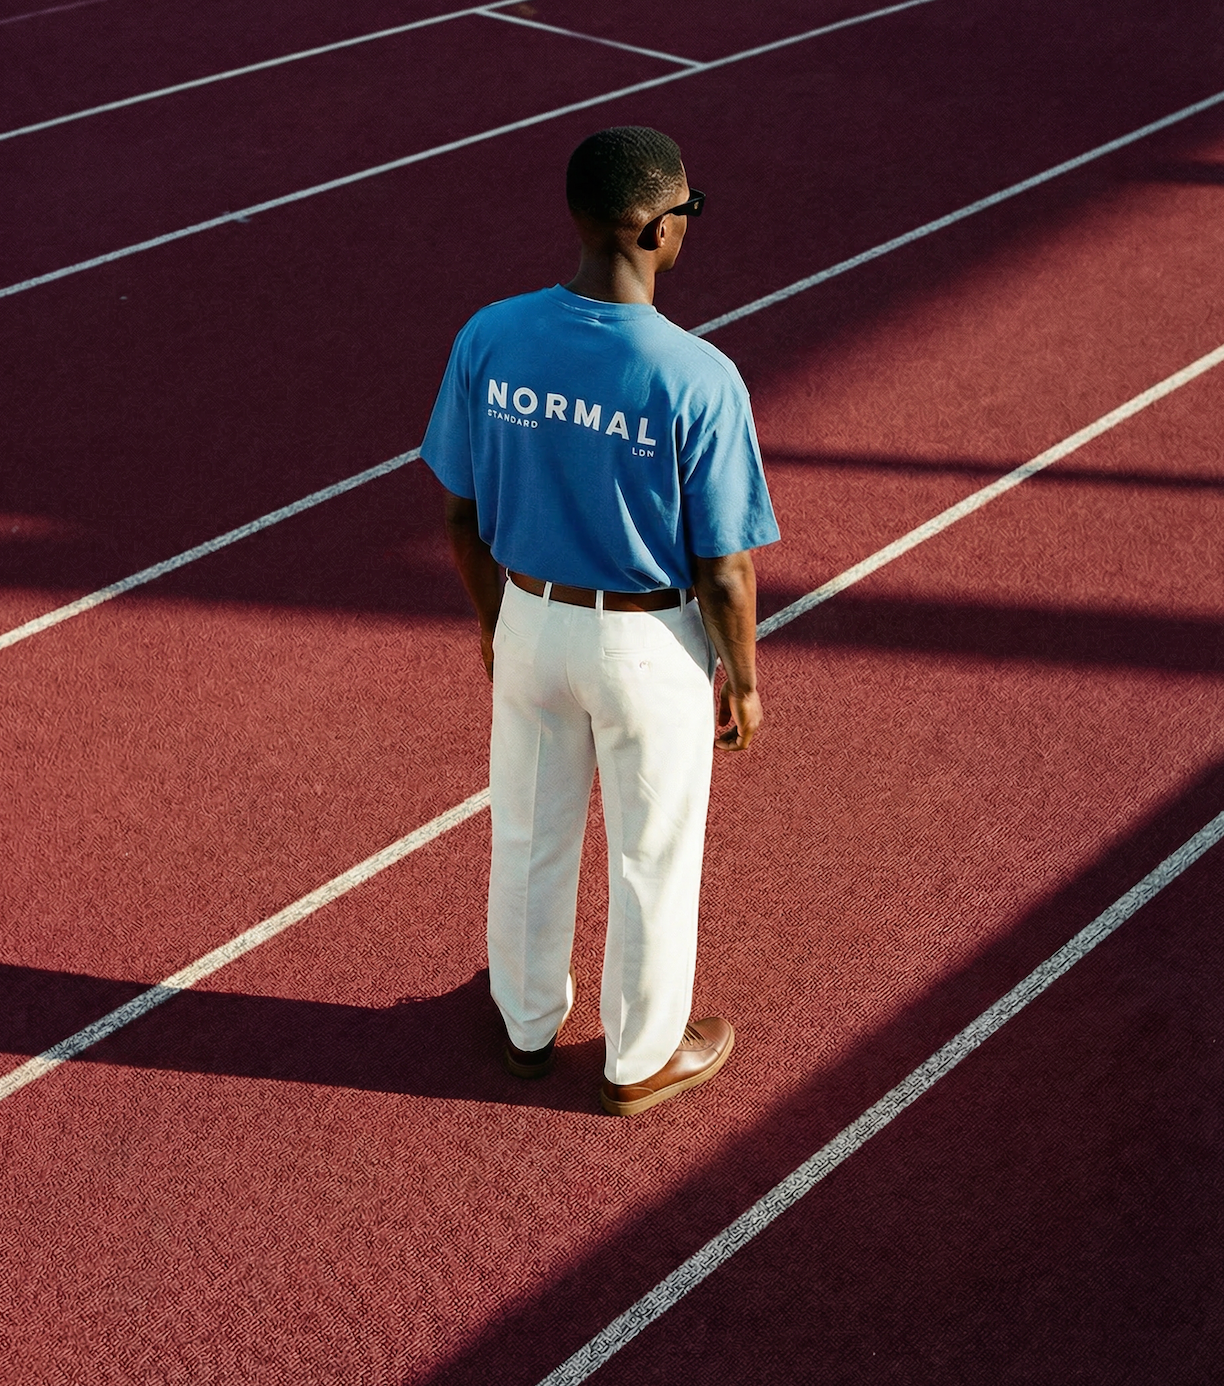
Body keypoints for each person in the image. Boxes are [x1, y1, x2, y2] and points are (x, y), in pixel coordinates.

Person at [420, 126, 779, 1116]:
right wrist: (742, 678)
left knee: (528, 829)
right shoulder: (697, 376)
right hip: (646, 642)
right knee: (649, 853)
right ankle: (640, 1059)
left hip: (531, 615)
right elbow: (726, 570)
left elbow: (458, 513)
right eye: (688, 212)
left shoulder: (491, 336)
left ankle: (526, 1023)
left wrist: (500, 626)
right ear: (659, 228)